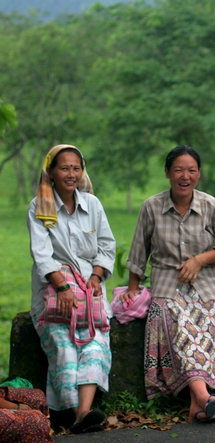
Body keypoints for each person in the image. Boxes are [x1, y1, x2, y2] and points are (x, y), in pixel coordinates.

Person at [121, 145, 215, 423]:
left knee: (212, 318)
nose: (184, 176)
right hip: (166, 286)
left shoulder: (210, 205)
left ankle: (198, 402)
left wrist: (200, 259)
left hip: (207, 286)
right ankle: (203, 397)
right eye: (178, 170)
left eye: (191, 170)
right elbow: (138, 253)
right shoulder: (151, 207)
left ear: (199, 174)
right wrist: (132, 287)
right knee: (177, 320)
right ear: (167, 173)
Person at [27, 144, 115, 433]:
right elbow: (41, 253)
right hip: (53, 293)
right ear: (51, 172)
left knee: (95, 344)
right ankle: (79, 415)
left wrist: (98, 274)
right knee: (64, 348)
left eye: (76, 168)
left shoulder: (93, 204)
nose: (71, 173)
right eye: (64, 168)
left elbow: (107, 245)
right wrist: (63, 287)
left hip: (90, 294)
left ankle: (85, 412)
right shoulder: (39, 206)